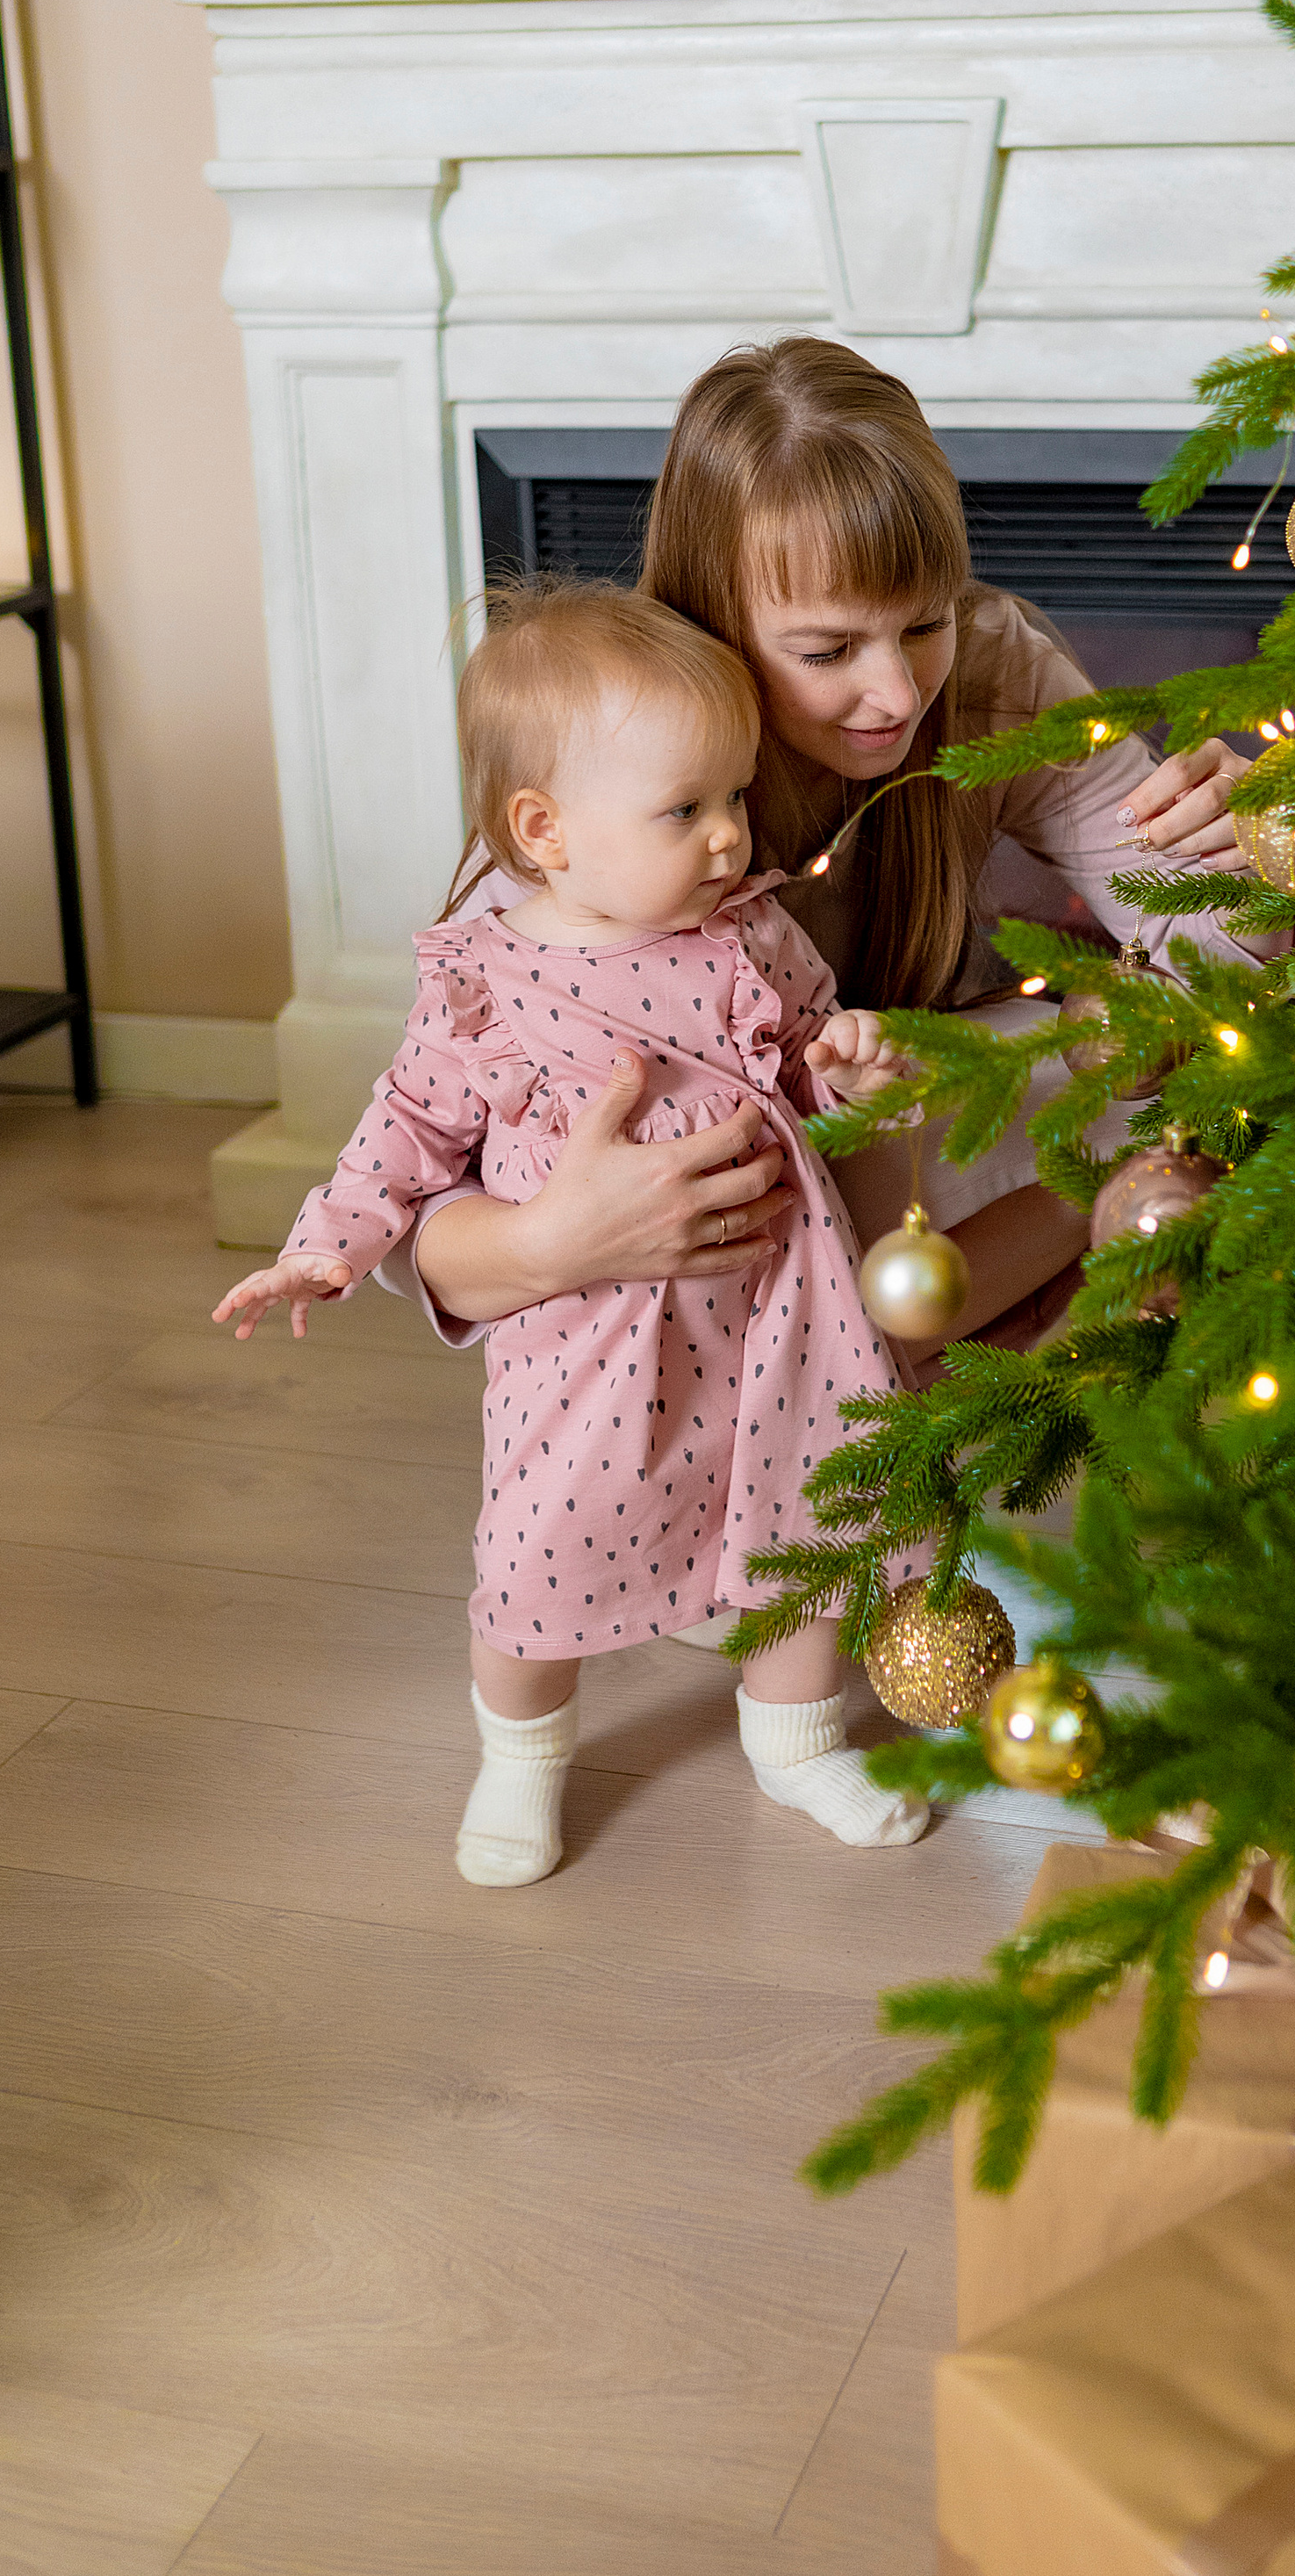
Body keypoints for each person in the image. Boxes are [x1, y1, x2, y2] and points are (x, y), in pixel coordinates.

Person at [212, 580, 928, 1887]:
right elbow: (407, 1130)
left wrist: (852, 1064)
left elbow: (805, 1058)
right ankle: (524, 1759)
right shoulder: (493, 982)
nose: (727, 836)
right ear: (545, 830)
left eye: (732, 798)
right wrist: (327, 1241)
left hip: (782, 1316)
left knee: (806, 1528)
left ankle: (795, 1737)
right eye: (684, 810)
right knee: (543, 1557)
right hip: (588, 1346)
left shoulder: (745, 930)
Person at [399, 335, 1257, 1360]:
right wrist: (554, 1243)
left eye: (924, 625)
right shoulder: (612, 751)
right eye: (826, 650)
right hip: (680, 1265)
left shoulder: (989, 672)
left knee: (1174, 1070)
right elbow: (419, 1203)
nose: (897, 694)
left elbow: (1213, 952)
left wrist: (1263, 843)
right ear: (715, 618)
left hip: (894, 1188)